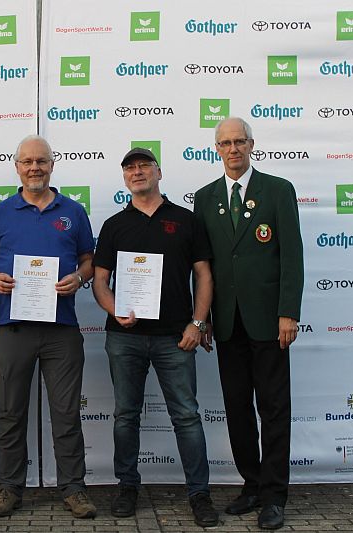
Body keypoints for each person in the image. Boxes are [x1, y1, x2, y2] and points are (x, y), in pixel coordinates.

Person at [92, 147, 219, 527]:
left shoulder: (186, 220)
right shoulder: (114, 225)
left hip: (175, 338)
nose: (137, 172)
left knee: (186, 416)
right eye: (130, 168)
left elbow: (204, 275)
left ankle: (199, 493)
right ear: (124, 177)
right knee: (125, 416)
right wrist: (114, 309)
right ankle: (127, 486)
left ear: (159, 173)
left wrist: (198, 324)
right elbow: (100, 281)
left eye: (144, 166)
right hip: (124, 338)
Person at [0, 135, 97, 519]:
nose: (34, 168)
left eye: (41, 161)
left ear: (51, 165)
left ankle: (74, 489)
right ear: (17, 167)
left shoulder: (73, 211)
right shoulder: (0, 212)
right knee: (11, 413)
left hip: (62, 329)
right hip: (15, 328)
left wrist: (79, 277)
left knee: (66, 414)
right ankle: (9, 487)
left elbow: (89, 258)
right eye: (27, 161)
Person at [193, 117, 304, 530]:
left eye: (240, 141)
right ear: (216, 149)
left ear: (252, 145)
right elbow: (202, 265)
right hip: (226, 322)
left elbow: (292, 254)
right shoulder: (205, 198)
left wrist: (288, 312)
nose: (233, 149)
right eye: (225, 143)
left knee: (273, 408)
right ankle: (252, 484)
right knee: (237, 408)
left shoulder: (277, 190)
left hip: (269, 320)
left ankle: (274, 495)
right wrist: (202, 317)